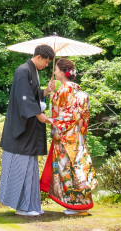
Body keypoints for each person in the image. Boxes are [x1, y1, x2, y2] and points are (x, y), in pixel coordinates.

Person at [0, 44, 56, 216]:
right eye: (46, 62)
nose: (46, 66)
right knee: (20, 168)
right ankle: (22, 207)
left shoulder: (33, 71)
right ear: (38, 57)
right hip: (20, 129)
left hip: (30, 128)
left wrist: (46, 91)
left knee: (31, 167)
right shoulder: (22, 70)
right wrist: (39, 115)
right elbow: (23, 98)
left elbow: (32, 94)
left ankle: (32, 205)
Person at [39, 58, 98, 215]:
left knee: (68, 171)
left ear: (63, 72)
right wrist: (52, 93)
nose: (54, 72)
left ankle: (75, 205)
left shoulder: (65, 91)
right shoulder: (77, 91)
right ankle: (81, 204)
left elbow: (66, 116)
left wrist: (49, 119)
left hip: (65, 137)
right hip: (76, 136)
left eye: (56, 69)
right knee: (77, 169)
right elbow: (78, 116)